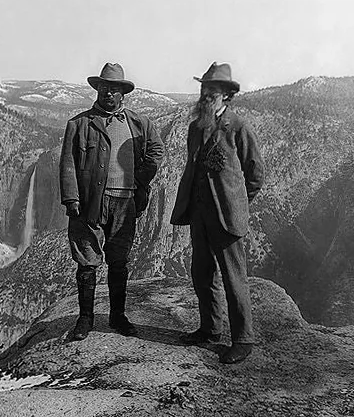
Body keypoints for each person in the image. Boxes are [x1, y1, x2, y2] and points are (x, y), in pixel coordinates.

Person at [60, 62, 164, 341]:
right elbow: (68, 163)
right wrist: (71, 198)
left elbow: (156, 150)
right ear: (97, 90)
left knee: (119, 262)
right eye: (104, 88)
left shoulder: (139, 124)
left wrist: (141, 178)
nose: (109, 94)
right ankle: (85, 319)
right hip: (90, 203)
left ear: (123, 94)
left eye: (114, 90)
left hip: (126, 203)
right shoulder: (79, 124)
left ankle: (118, 316)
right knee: (87, 261)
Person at [170, 62, 264, 364]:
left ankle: (243, 339)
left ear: (226, 95)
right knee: (201, 273)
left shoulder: (238, 127)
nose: (206, 95)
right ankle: (210, 329)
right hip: (199, 215)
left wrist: (238, 202)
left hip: (227, 217)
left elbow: (255, 174)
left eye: (212, 91)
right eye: (203, 89)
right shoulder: (196, 127)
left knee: (234, 277)